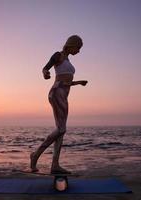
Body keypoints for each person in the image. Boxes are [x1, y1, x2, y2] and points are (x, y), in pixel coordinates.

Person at [30, 35, 88, 174]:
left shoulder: (67, 60)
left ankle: (55, 165)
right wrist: (45, 73)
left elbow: (66, 81)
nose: (79, 51)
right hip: (56, 93)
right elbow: (45, 68)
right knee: (61, 129)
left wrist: (79, 82)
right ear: (71, 45)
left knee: (60, 131)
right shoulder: (58, 55)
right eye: (78, 48)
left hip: (64, 94)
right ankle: (35, 155)